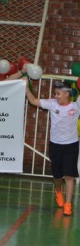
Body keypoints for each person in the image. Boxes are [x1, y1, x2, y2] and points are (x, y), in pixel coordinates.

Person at [26, 80, 79, 216]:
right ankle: (58, 190)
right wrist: (26, 86)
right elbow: (33, 101)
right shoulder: (51, 104)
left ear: (67, 94)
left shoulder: (76, 105)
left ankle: (68, 204)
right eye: (55, 93)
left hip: (71, 145)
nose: (56, 96)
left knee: (69, 175)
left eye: (58, 94)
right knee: (57, 176)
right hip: (55, 145)